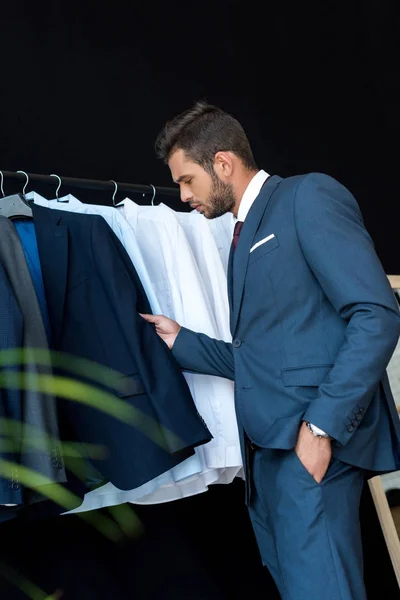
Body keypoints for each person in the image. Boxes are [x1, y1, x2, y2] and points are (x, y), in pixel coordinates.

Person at [141, 101, 400, 600]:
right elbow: (264, 355)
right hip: (267, 462)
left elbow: (377, 314)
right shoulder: (241, 234)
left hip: (308, 451)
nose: (182, 195)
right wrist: (180, 340)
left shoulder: (307, 197)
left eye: (187, 180)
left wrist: (320, 430)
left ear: (222, 163)